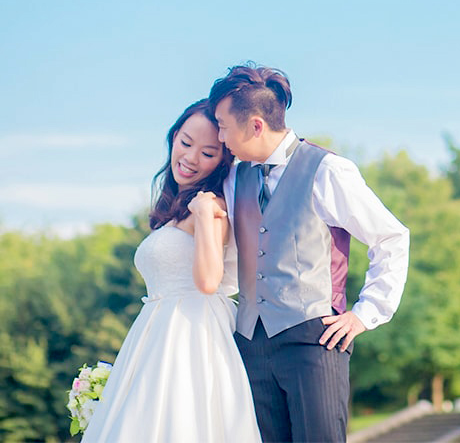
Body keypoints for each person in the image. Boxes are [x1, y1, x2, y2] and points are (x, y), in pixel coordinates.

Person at [209, 63, 410, 443]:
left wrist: (366, 314)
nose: (219, 137)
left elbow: (391, 237)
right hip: (251, 344)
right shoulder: (235, 177)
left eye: (222, 125)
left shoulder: (328, 170)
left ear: (254, 125)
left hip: (315, 341)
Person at [83, 99, 261, 443]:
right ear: (174, 137)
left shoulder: (211, 206)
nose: (192, 158)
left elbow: (210, 281)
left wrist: (206, 215)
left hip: (194, 335)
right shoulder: (174, 208)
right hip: (157, 335)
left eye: (208, 153)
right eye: (186, 143)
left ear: (223, 161)